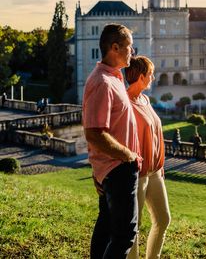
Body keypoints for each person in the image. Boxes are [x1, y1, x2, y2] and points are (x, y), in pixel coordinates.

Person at [82, 23, 141, 259]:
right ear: (115, 47)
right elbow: (94, 133)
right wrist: (127, 156)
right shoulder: (102, 82)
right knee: (125, 234)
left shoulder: (114, 79)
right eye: (129, 47)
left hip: (113, 168)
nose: (132, 52)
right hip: (118, 168)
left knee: (107, 227)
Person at [125, 56, 170, 259]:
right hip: (137, 174)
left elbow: (155, 134)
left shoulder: (145, 99)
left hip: (154, 172)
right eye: (151, 74)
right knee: (134, 227)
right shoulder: (126, 104)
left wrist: (160, 166)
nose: (153, 78)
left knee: (163, 219)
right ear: (141, 77)